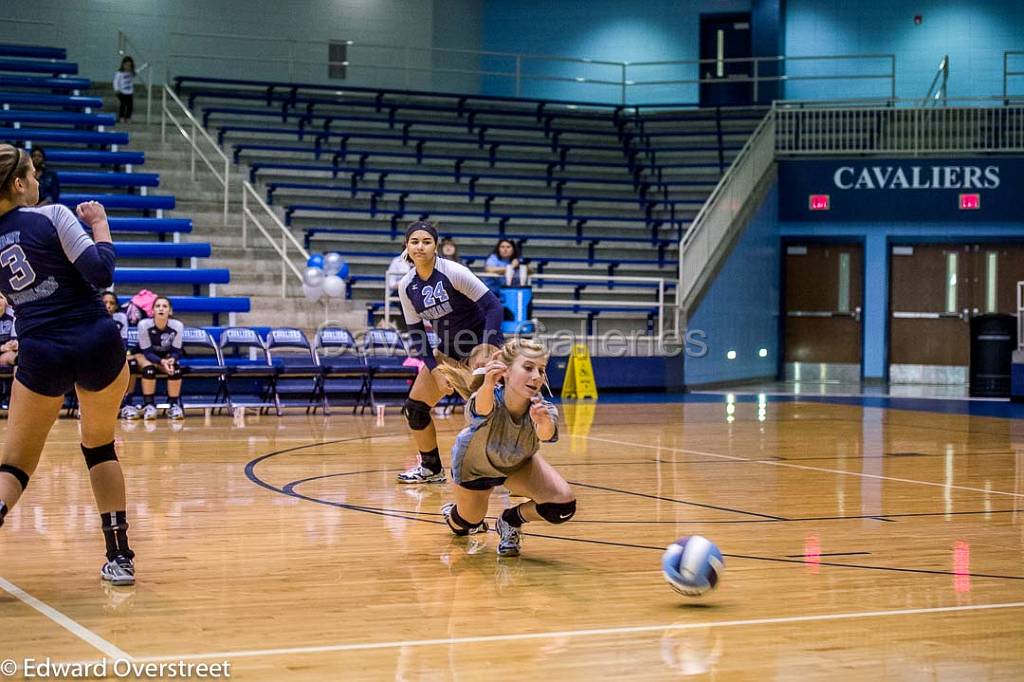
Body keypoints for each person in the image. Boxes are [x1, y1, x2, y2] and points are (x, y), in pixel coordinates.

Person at [0, 144, 136, 586]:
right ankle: (120, 559)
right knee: (99, 446)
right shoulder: (54, 215)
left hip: (41, 350)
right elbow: (102, 273)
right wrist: (100, 223)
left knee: (16, 465)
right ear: (19, 185)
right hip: (95, 340)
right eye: (33, 175)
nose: (39, 181)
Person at [437, 339, 573, 557]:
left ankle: (510, 520)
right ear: (506, 371)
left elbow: (545, 435)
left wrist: (543, 421)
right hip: (475, 468)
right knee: (465, 524)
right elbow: (481, 410)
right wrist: (488, 383)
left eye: (541, 369)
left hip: (516, 465)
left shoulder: (543, 407)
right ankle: (455, 512)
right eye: (528, 367)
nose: (536, 376)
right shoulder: (486, 396)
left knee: (562, 506)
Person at [396, 220, 505, 484]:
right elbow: (417, 334)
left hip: (480, 345)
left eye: (426, 241)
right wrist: (435, 371)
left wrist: (487, 349)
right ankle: (431, 469)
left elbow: (494, 308)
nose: (420, 246)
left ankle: (512, 471)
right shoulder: (406, 286)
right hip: (447, 351)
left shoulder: (453, 272)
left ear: (436, 246)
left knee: (492, 415)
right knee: (415, 408)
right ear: (406, 247)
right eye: (414, 242)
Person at [135, 296, 185, 421]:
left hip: (166, 357)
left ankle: (173, 405)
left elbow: (177, 350)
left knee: (176, 369)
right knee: (149, 369)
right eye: (157, 306)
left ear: (170, 311)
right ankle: (149, 405)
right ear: (152, 311)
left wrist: (172, 359)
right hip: (145, 355)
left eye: (164, 306)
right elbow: (147, 352)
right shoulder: (144, 325)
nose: (161, 309)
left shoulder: (177, 325)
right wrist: (161, 362)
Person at [113, 56, 135, 124]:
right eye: (126, 65)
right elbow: (115, 81)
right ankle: (121, 117)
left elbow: (138, 71)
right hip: (121, 92)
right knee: (123, 104)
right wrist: (116, 89)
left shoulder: (131, 73)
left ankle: (128, 117)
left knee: (130, 105)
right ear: (123, 65)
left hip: (129, 92)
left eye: (129, 65)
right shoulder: (119, 73)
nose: (127, 67)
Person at [0, 292, 16, 367]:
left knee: (18, 356)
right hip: (2, 349)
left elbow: (16, 337)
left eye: (1, 297)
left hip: (8, 351)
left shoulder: (13, 313)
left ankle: (17, 378)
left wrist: (14, 343)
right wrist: (2, 348)